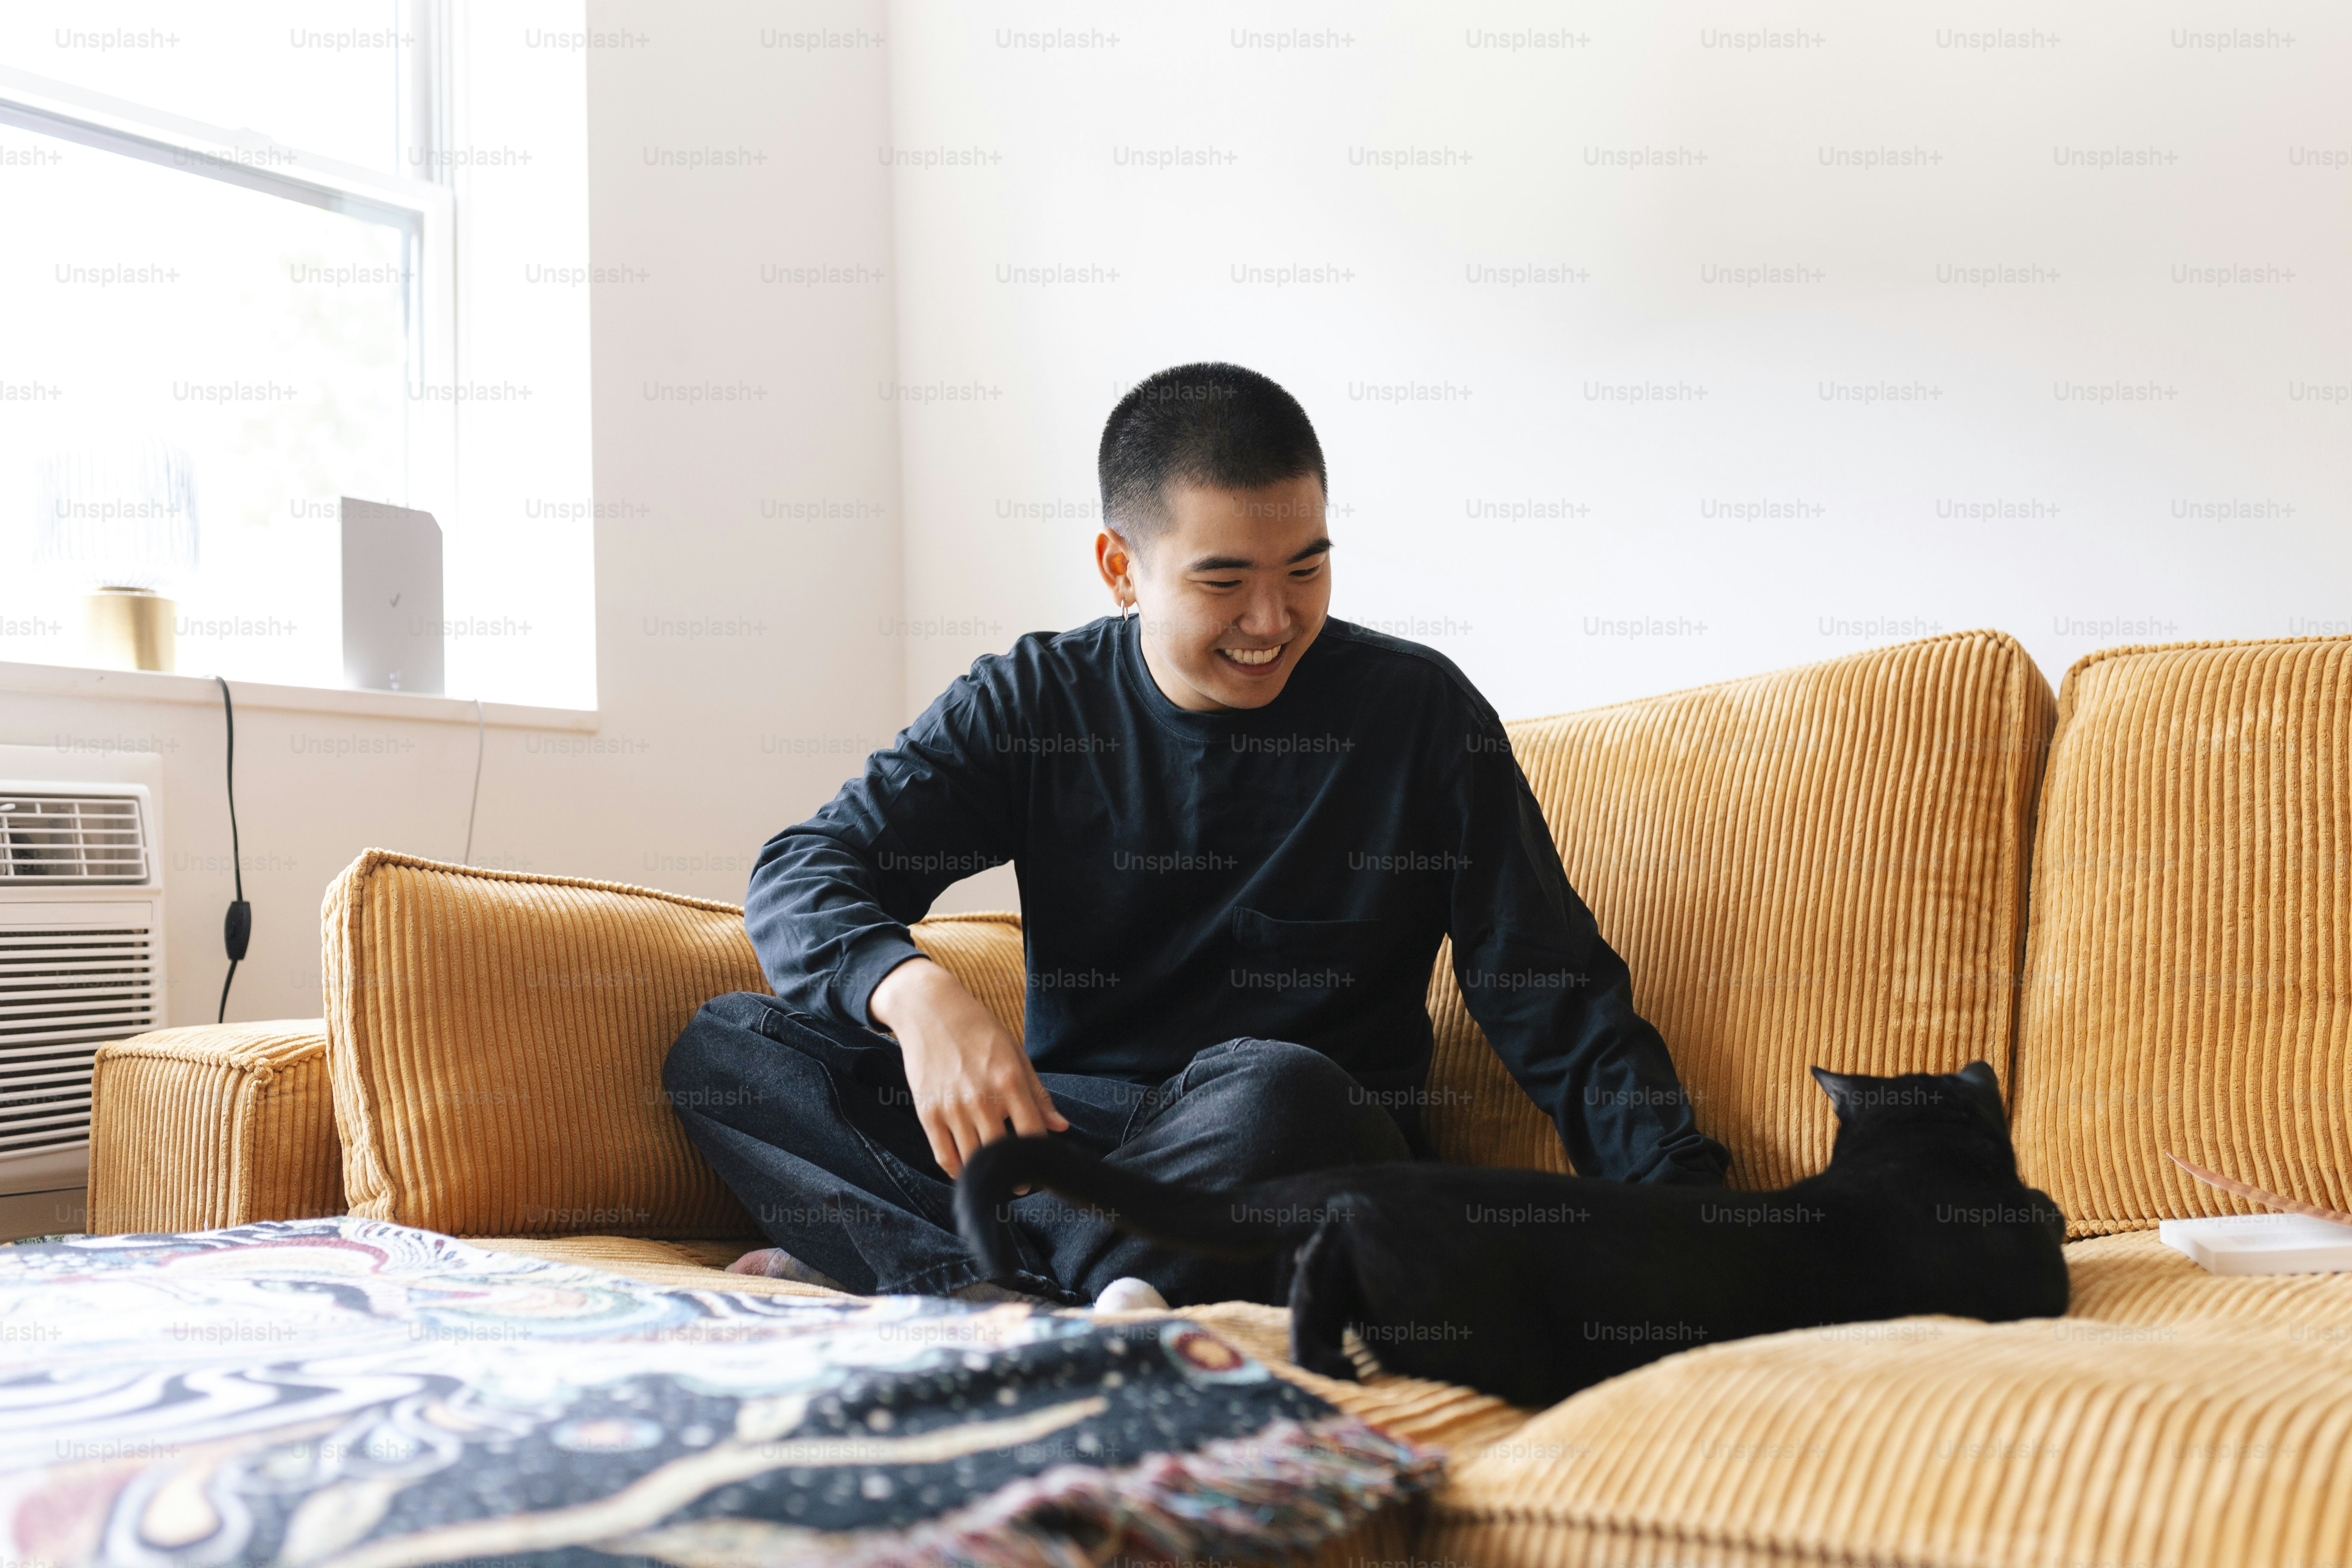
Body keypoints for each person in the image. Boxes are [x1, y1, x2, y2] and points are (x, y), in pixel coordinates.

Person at [663, 361, 1727, 1311]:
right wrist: (915, 993)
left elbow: (1555, 994)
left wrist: (1690, 1221)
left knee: (1287, 1091)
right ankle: (1051, 1277)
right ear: (1120, 568)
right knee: (729, 1046)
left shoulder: (1419, 717)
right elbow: (806, 869)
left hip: (1285, 1148)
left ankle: (947, 1267)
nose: (1273, 620)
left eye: (1306, 570)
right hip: (1067, 1142)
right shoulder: (1034, 705)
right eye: (1225, 582)